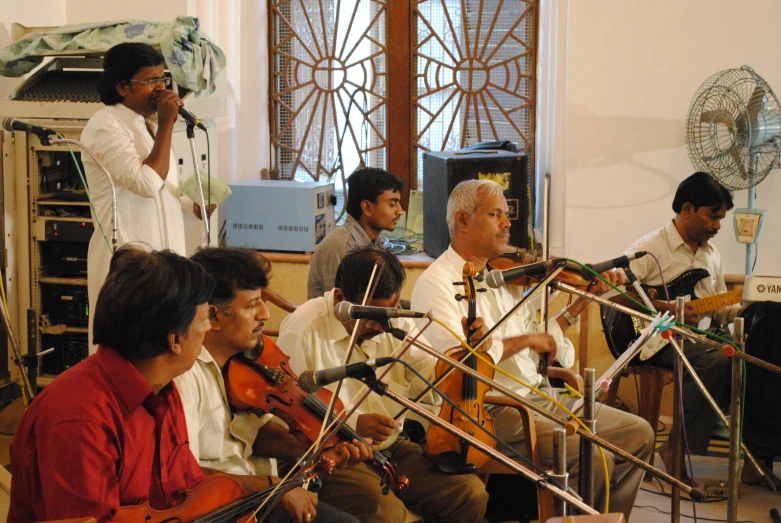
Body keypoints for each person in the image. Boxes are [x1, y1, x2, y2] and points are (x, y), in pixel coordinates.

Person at [411, 179, 655, 519]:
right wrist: (526, 342)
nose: (507, 224)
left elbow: (546, 343)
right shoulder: (436, 284)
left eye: (507, 215)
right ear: (463, 221)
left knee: (639, 435)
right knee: (594, 455)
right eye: (495, 214)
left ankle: (606, 518)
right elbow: (459, 367)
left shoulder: (503, 278)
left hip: (539, 396)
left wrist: (581, 304)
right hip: (492, 408)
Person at [279, 247, 489, 523]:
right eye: (373, 316)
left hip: (390, 449)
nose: (382, 326)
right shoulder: (303, 329)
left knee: (469, 493)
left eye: (390, 311)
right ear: (341, 299)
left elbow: (434, 378)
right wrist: (353, 422)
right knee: (386, 513)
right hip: (332, 455)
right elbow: (287, 409)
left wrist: (470, 352)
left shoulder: (392, 320)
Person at [8, 246, 214, 522]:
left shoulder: (163, 390)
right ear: (175, 339)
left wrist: (262, 487)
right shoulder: (79, 418)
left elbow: (185, 491)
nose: (208, 328)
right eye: (203, 320)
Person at [176, 247, 366, 523]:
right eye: (252, 305)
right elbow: (184, 476)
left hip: (258, 496)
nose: (265, 314)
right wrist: (272, 488)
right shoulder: (186, 378)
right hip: (223, 510)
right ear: (214, 316)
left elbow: (256, 432)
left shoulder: (239, 363)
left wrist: (314, 448)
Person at [624, 172, 767, 486]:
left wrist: (746, 309)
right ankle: (681, 452)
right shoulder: (649, 248)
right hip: (652, 338)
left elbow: (715, 307)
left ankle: (757, 454)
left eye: (720, 218)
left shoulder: (711, 255)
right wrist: (667, 309)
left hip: (697, 338)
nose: (717, 226)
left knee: (755, 357)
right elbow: (618, 293)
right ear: (686, 209)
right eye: (711, 216)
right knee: (714, 360)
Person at [83, 42, 212, 351]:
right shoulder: (106, 125)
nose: (161, 89)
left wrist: (189, 204)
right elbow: (145, 183)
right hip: (129, 262)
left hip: (164, 260)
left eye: (163, 79)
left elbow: (162, 188)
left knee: (165, 347)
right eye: (151, 81)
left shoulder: (147, 124)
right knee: (131, 349)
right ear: (122, 86)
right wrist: (168, 122)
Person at [307, 167, 404, 299]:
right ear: (367, 207)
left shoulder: (377, 242)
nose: (400, 211)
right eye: (392, 204)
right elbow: (339, 309)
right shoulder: (340, 246)